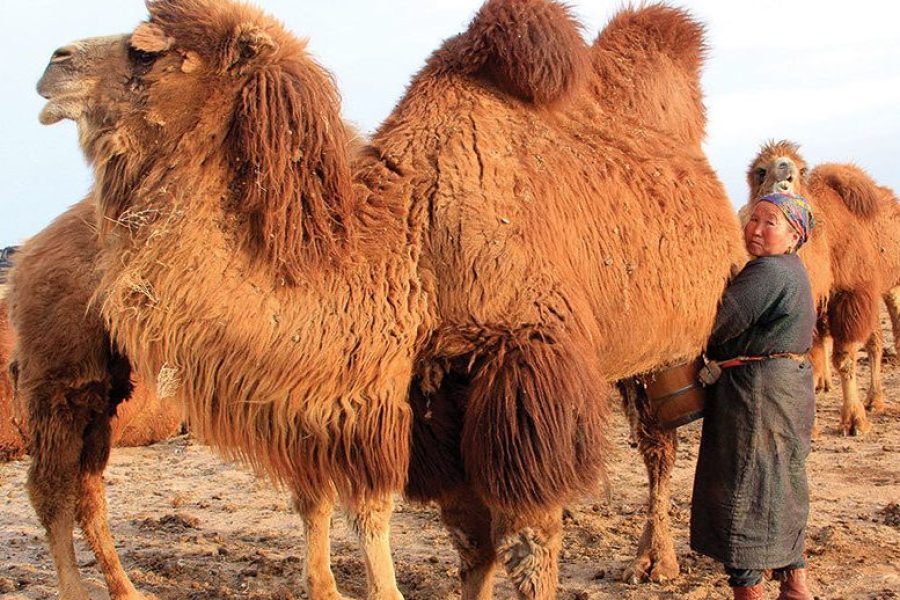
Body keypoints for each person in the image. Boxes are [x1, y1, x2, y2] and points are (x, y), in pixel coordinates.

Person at [691, 192, 817, 600]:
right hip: (787, 387)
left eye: (770, 223)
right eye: (753, 220)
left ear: (794, 235)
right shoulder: (793, 269)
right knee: (783, 482)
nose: (756, 230)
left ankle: (749, 591)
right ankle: (794, 582)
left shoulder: (767, 272)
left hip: (758, 395)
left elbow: (718, 324)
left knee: (742, 486)